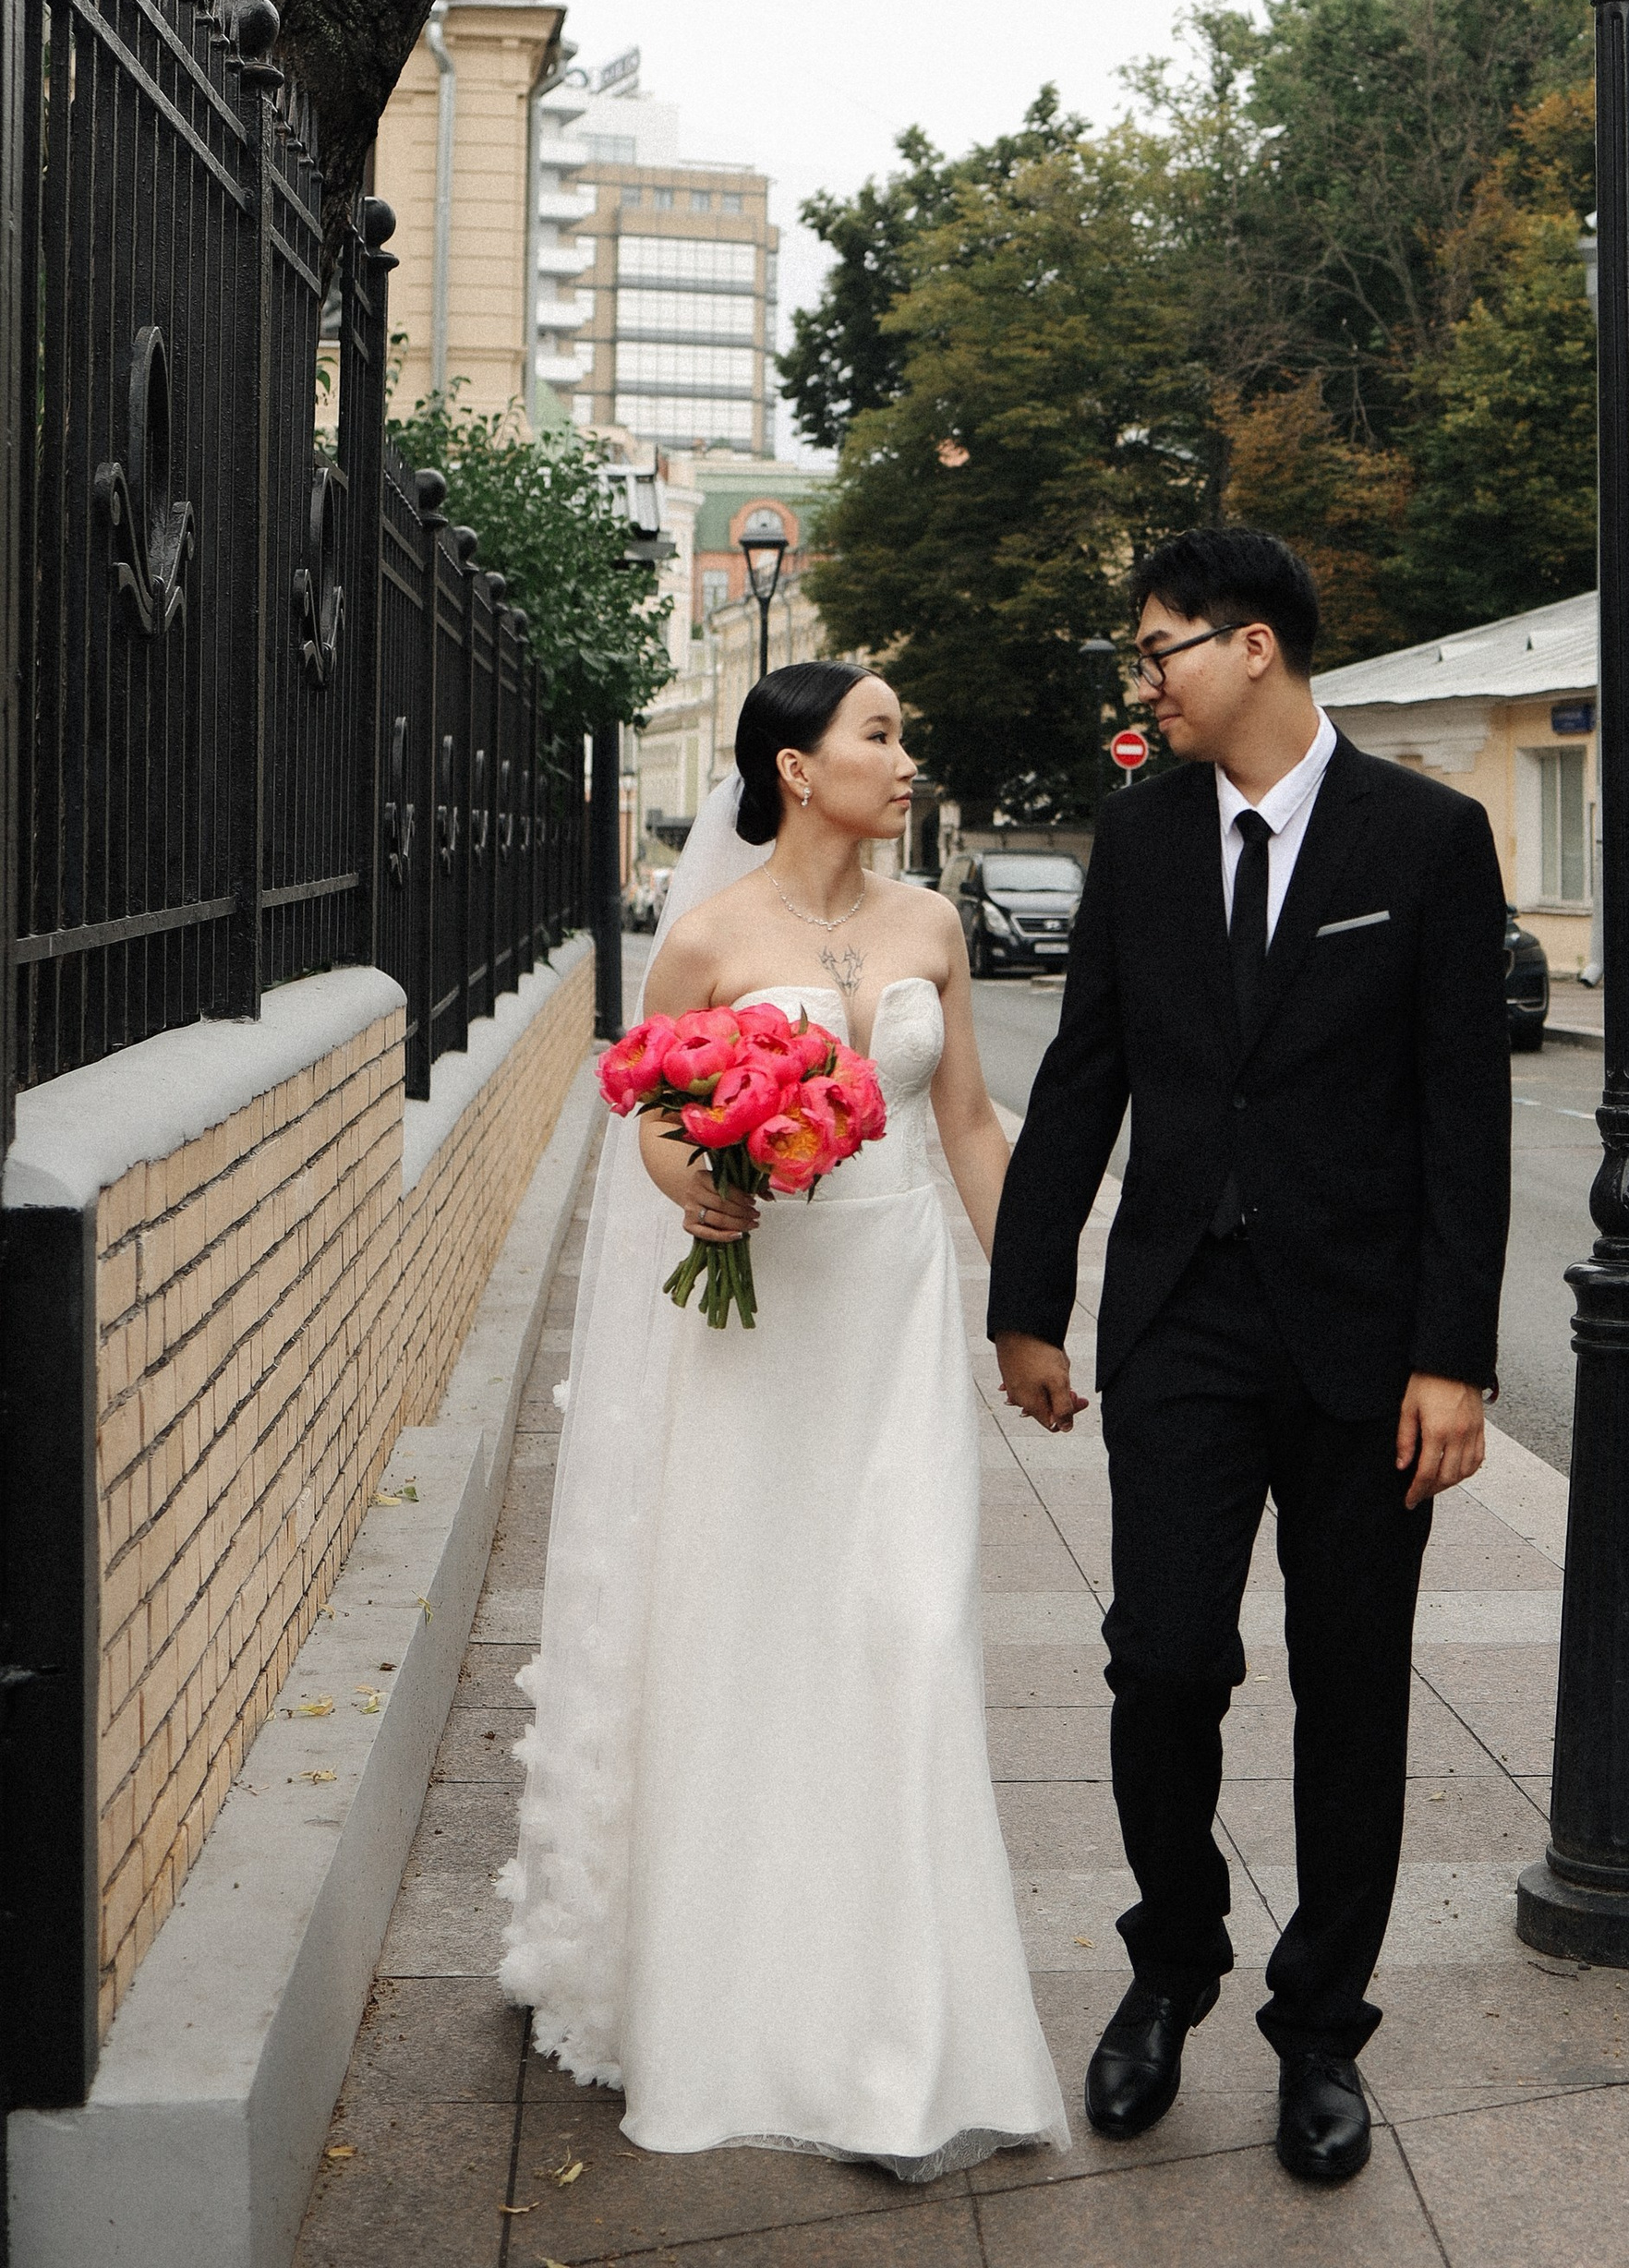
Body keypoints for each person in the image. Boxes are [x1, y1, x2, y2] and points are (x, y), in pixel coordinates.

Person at [988, 527, 1512, 2186]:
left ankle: (1322, 2027)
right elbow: (1081, 1083)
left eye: (1162, 649)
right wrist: (1028, 1300)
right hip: (1183, 1327)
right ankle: (1172, 1965)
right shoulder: (1138, 838)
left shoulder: (1426, 837)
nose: (1146, 680)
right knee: (1162, 1656)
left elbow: (1465, 1121)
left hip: (1369, 1347)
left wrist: (1457, 1357)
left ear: (1256, 650)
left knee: (1353, 1686)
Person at [498, 664, 1065, 2180]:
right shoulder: (708, 937)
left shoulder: (931, 926)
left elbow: (967, 1129)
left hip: (888, 1319)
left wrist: (1031, 1312)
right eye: (880, 733)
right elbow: (644, 1116)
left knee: (907, 1625)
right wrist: (700, 1181)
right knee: (751, 1638)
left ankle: (912, 2034)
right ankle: (741, 2005)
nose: (905, 754)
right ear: (798, 769)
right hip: (758, 1342)